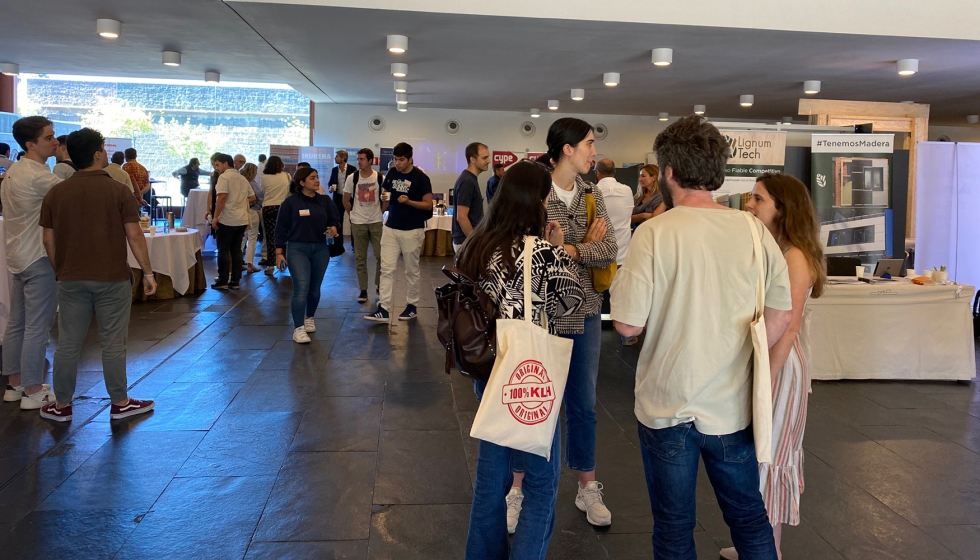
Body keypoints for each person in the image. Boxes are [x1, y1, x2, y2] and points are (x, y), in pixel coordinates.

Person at [610, 115, 793, 560]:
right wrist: (737, 354)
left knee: (673, 527)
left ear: (668, 172)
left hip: (666, 403)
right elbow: (782, 312)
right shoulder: (752, 230)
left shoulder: (653, 233)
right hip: (732, 405)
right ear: (719, 170)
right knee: (749, 517)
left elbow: (628, 325)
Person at [458, 161, 585, 559]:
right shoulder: (542, 253)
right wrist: (561, 245)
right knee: (541, 482)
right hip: (532, 375)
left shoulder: (475, 246)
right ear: (537, 201)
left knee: (490, 478)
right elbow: (572, 303)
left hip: (489, 371)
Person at [718, 173, 826, 560]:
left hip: (780, 363)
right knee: (765, 453)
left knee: (772, 453)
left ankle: (769, 550)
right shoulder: (778, 249)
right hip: (772, 359)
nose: (749, 205)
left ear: (782, 208)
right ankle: (758, 543)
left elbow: (789, 324)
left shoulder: (794, 256)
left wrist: (768, 379)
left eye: (758, 199)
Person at [38, 127, 157, 422]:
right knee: (113, 343)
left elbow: (48, 240)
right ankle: (119, 402)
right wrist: (148, 272)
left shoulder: (56, 192)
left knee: (68, 344)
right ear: (97, 153)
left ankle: (61, 405)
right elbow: (134, 235)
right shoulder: (118, 190)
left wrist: (60, 269)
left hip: (70, 278)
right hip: (112, 277)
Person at [1, 116, 60, 410]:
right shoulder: (38, 175)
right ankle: (35, 390)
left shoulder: (13, 171)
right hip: (37, 255)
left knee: (17, 323)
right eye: (49, 138)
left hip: (17, 255)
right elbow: (69, 198)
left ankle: (15, 383)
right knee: (38, 326)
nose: (55, 142)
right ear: (30, 144)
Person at [364, 142, 432, 322]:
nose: (398, 163)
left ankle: (412, 306)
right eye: (395, 159)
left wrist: (409, 202)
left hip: (413, 229)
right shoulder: (392, 173)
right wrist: (383, 200)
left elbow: (428, 205)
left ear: (411, 159)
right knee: (386, 268)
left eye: (401, 160)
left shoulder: (421, 178)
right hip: (391, 226)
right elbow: (386, 194)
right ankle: (384, 308)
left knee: (411, 270)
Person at [274, 167, 341, 344]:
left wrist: (334, 227)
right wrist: (279, 252)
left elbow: (335, 219)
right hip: (297, 249)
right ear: (302, 182)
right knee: (301, 287)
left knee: (314, 288)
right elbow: (280, 228)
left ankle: (309, 317)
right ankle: (298, 328)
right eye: (312, 178)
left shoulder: (325, 201)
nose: (317, 180)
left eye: (317, 177)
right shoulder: (290, 203)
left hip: (320, 249)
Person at [594, 158, 638, 346]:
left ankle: (595, 330)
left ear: (597, 173)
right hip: (622, 252)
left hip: (599, 251)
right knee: (621, 296)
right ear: (615, 172)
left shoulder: (593, 191)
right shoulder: (627, 191)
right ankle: (626, 335)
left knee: (597, 295)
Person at [343, 148, 386, 303]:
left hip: (375, 222)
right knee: (360, 257)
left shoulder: (380, 178)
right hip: (358, 222)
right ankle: (363, 290)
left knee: (381, 256)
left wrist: (380, 213)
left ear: (370, 161)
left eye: (362, 159)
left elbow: (386, 198)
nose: (359, 162)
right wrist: (353, 215)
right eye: (358, 158)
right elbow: (345, 200)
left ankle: (379, 285)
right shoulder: (352, 178)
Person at [211, 153, 256, 289]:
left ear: (226, 163)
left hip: (228, 218)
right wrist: (239, 201)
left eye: (217, 164)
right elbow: (253, 197)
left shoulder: (224, 177)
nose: (216, 167)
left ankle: (223, 279)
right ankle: (235, 280)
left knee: (223, 250)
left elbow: (222, 197)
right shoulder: (241, 178)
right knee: (236, 250)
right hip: (241, 218)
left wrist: (215, 217)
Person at [452, 142, 490, 252]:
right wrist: (474, 241)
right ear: (472, 160)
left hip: (466, 241)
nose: (488, 161)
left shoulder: (470, 179)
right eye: (484, 158)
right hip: (465, 242)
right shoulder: (467, 181)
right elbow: (462, 217)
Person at [260, 156, 291, 275]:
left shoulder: (264, 177)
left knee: (270, 236)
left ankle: (271, 265)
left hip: (268, 207)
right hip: (282, 207)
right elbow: (289, 192)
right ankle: (285, 261)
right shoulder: (286, 176)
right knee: (284, 235)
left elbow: (263, 192)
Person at [329, 150, 356, 250]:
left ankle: (354, 244)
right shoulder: (334, 170)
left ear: (343, 158)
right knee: (338, 221)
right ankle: (339, 244)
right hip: (338, 197)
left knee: (352, 220)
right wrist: (330, 188)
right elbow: (330, 183)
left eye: (337, 156)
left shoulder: (353, 169)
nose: (335, 158)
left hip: (350, 198)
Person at [241, 163, 264, 274]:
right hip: (253, 211)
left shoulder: (240, 181)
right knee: (252, 238)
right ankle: (250, 264)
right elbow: (260, 197)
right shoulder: (253, 184)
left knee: (242, 238)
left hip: (241, 212)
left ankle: (238, 262)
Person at [631, 164, 666, 228]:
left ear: (653, 178)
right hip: (636, 232)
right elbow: (627, 219)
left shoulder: (662, 197)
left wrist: (636, 218)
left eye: (643, 176)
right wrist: (643, 215)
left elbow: (654, 220)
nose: (640, 179)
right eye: (640, 176)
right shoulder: (638, 197)